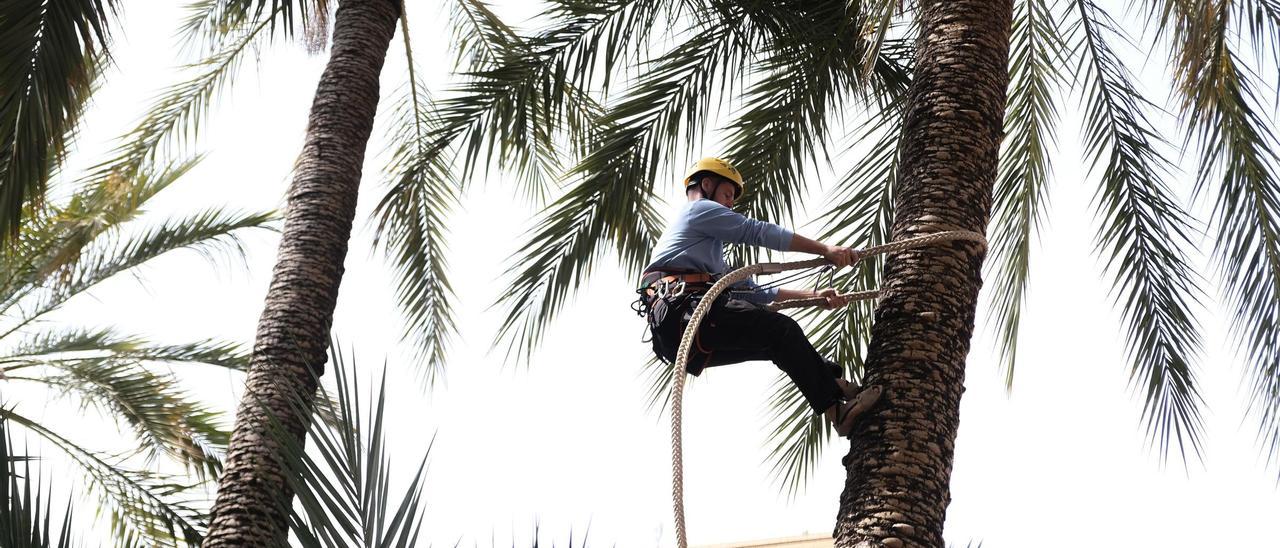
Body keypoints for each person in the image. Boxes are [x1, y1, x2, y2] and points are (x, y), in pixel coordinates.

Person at [639, 157, 881, 436]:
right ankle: (835, 406)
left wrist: (814, 296)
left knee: (775, 343)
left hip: (677, 329)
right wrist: (825, 249)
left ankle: (834, 395)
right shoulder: (698, 210)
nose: (731, 204)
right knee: (781, 330)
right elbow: (756, 231)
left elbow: (751, 291)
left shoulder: (707, 256)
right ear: (707, 184)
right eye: (728, 194)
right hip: (684, 313)